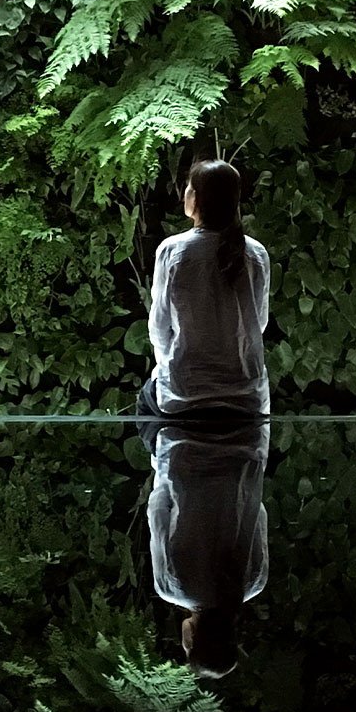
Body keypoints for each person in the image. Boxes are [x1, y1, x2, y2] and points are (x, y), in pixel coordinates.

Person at [138, 159, 271, 425]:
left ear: (196, 198)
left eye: (188, 186)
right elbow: (259, 322)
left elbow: (159, 328)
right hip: (246, 396)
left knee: (144, 406)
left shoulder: (173, 251)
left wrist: (175, 371)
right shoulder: (256, 253)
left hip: (183, 396)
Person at [147, 418, 270, 679]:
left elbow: (259, 512)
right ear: (190, 641)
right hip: (181, 441)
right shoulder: (172, 588)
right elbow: (158, 506)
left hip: (248, 441)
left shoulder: (254, 582)